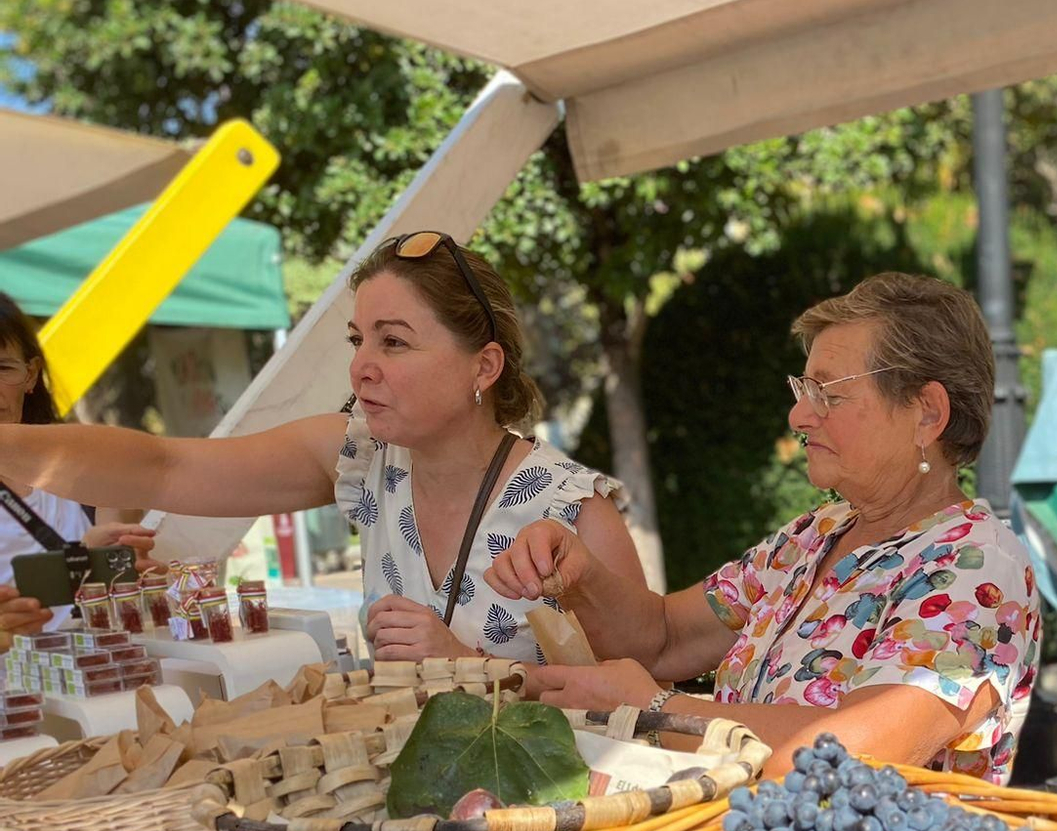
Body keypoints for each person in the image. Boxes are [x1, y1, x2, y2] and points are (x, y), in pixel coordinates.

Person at [488, 272, 1043, 781]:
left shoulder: (977, 565)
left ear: (927, 413)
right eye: (803, 391)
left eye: (828, 392)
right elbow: (665, 638)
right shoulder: (815, 535)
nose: (799, 416)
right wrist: (579, 575)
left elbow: (853, 756)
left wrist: (655, 710)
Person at [0, 236, 643, 665]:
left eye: (394, 342)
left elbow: (642, 702)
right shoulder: (362, 456)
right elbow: (166, 467)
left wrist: (467, 666)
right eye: (358, 340)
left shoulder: (573, 509)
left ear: (484, 366)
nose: (361, 366)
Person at [0, 292, 155, 640]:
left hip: (101, 666)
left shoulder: (87, 460)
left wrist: (124, 565)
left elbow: (125, 579)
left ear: (30, 375)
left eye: (3, 368)